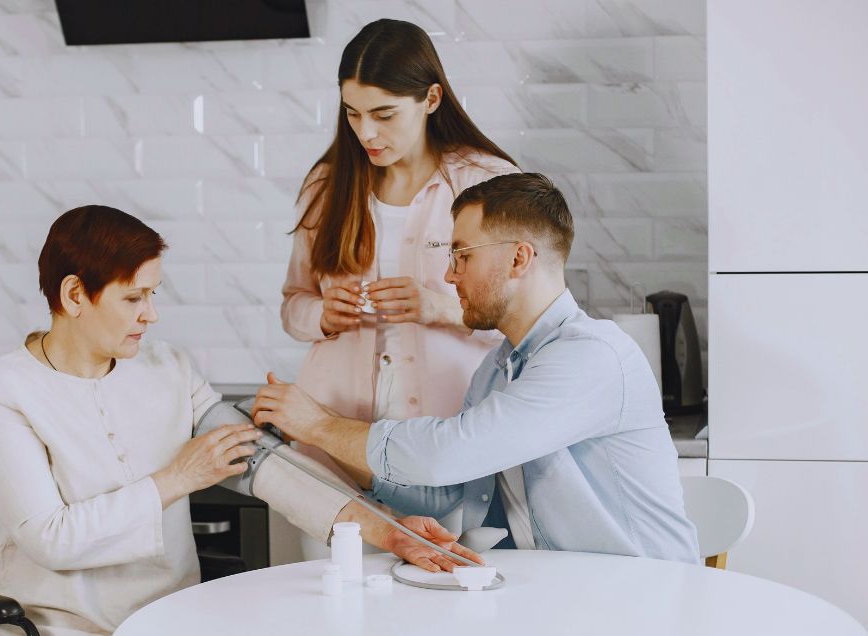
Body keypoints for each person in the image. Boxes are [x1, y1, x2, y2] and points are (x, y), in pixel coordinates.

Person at [0, 205, 478, 636]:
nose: (151, 314)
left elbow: (264, 464)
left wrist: (388, 528)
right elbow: (52, 539)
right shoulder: (5, 390)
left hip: (170, 627)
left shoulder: (168, 369)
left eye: (153, 294)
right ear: (75, 296)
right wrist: (177, 477)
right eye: (134, 297)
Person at [256, 174, 701, 563]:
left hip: (637, 602)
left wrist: (319, 425)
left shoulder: (591, 357)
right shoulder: (496, 368)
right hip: (557, 598)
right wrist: (318, 438)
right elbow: (448, 491)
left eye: (462, 255)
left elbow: (447, 453)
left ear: (519, 259)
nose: (450, 276)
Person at [281, 18, 520, 449]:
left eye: (383, 114)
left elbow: (528, 316)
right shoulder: (326, 185)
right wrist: (322, 316)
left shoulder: (486, 183)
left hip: (449, 433)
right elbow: (294, 303)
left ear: (431, 98)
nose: (365, 132)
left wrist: (439, 307)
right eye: (352, 113)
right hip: (334, 431)